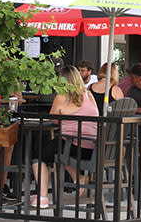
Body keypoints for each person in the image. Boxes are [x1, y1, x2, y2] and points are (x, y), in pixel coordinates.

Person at [32, 66, 99, 208]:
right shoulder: (89, 95)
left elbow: (54, 119)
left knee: (38, 155)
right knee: (59, 149)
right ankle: (79, 178)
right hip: (92, 148)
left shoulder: (61, 97)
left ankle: (43, 197)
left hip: (73, 146)